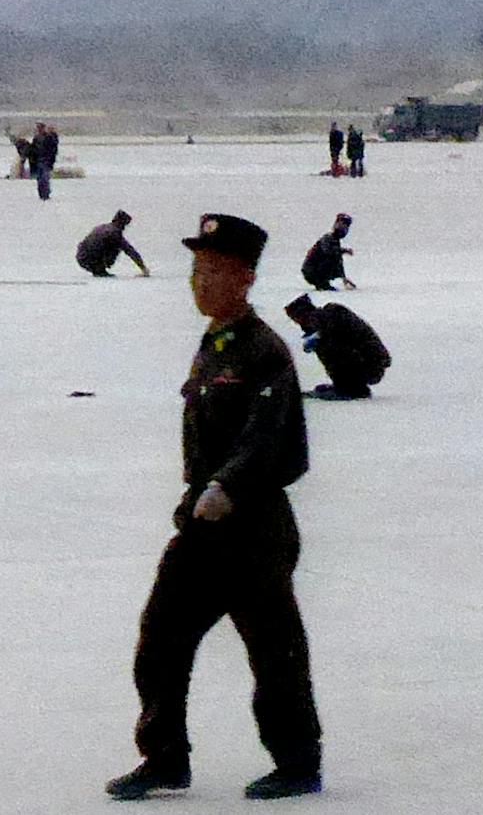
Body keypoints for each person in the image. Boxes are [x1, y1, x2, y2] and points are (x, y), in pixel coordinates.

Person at [107, 214, 322, 802]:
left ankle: (298, 762)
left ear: (246, 278)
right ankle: (164, 758)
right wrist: (201, 496)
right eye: (196, 270)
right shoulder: (214, 342)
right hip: (203, 526)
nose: (199, 282)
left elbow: (271, 437)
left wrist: (227, 486)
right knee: (160, 642)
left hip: (253, 527)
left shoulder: (265, 350)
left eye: (213, 271)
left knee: (275, 653)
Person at [283, 293, 390, 400]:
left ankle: (352, 389)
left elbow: (338, 345)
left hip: (372, 365)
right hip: (372, 363)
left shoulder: (330, 317)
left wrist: (318, 339)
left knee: (327, 347)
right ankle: (345, 385)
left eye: (295, 318)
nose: (296, 323)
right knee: (325, 345)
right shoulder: (325, 319)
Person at [78, 210, 151, 277]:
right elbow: (129, 250)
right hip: (92, 260)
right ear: (122, 223)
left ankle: (98, 268)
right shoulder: (114, 233)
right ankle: (99, 269)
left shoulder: (101, 227)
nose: (124, 228)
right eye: (125, 225)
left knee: (112, 244)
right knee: (117, 246)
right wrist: (143, 268)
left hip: (81, 258)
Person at [301, 214, 356, 291]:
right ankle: (321, 282)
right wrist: (343, 251)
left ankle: (323, 282)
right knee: (330, 259)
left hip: (313, 270)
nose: (344, 229)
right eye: (342, 225)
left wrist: (344, 278)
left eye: (346, 227)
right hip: (311, 271)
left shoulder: (335, 241)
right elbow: (328, 252)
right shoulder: (327, 238)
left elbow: (338, 259)